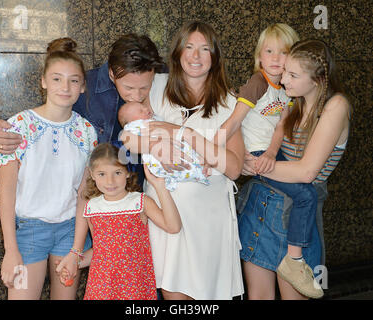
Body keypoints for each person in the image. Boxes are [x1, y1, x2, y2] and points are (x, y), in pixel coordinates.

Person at [120, 21, 245, 300]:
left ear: (215, 57)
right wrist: (156, 146)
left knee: (208, 295)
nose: (195, 56)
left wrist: (183, 134)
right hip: (167, 213)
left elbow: (234, 168)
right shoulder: (156, 88)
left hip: (208, 219)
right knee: (173, 292)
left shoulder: (228, 102)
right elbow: (129, 138)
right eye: (188, 47)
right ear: (177, 53)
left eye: (204, 49)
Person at [215, 24, 323, 298]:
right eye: (269, 51)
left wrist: (273, 155)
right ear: (259, 56)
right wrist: (211, 150)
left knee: (307, 193)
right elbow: (234, 121)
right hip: (255, 157)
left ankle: (296, 255)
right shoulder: (258, 83)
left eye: (283, 52)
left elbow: (280, 129)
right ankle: (295, 260)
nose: (275, 58)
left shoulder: (288, 92)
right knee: (307, 195)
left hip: (272, 156)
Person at [238, 39, 350, 299]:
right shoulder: (293, 103)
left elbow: (306, 172)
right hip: (262, 205)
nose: (283, 78)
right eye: (285, 70)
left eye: (293, 74)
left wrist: (253, 166)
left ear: (318, 79)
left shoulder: (335, 106)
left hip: (295, 220)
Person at [0, 33, 166, 186]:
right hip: (95, 196)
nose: (136, 95)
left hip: (142, 191)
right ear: (112, 73)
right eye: (128, 87)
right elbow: (47, 116)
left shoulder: (162, 83)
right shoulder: (83, 86)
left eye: (144, 88)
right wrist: (7, 131)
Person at [0, 38, 97, 299]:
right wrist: (11, 250)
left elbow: (84, 195)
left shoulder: (88, 132)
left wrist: (77, 250)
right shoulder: (18, 125)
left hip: (69, 231)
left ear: (83, 86)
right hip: (29, 232)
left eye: (74, 80)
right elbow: (6, 193)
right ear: (43, 81)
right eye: (56, 79)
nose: (65, 87)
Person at [56, 142, 181, 300]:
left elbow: (174, 226)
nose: (110, 181)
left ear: (127, 173)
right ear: (92, 175)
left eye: (117, 173)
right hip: (101, 285)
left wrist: (160, 187)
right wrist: (75, 263)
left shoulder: (140, 202)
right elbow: (100, 251)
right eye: (102, 174)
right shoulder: (91, 208)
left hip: (135, 285)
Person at [118, 101, 210, 191]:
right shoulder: (134, 127)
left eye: (143, 107)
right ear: (131, 121)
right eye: (141, 111)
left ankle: (198, 167)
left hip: (173, 145)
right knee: (176, 161)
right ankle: (197, 171)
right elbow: (126, 138)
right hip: (159, 157)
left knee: (184, 151)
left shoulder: (154, 118)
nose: (146, 109)